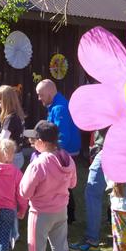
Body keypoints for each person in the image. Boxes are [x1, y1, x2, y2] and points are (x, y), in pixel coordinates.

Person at [19, 121, 77, 251]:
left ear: (42, 142)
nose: (31, 142)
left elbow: (24, 192)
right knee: (61, 248)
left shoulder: (39, 163)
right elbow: (73, 183)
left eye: (34, 139)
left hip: (40, 213)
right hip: (61, 210)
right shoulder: (67, 158)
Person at [35, 79, 80, 223]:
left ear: (49, 92)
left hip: (66, 151)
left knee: (64, 184)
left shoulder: (59, 107)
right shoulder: (54, 105)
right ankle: (68, 215)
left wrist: (50, 152)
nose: (39, 98)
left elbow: (62, 135)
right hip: (63, 149)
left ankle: (69, 215)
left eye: (41, 94)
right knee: (64, 183)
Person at [70, 128, 108, 251]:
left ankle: (92, 240)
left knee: (92, 194)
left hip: (107, 149)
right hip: (119, 148)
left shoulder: (107, 109)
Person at [0, 85, 26, 169]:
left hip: (11, 158)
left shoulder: (10, 118)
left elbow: (3, 140)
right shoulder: (19, 115)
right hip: (19, 155)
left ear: (6, 102)